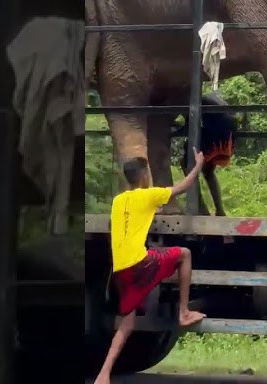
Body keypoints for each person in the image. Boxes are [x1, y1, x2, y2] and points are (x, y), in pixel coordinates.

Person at [94, 152, 208, 384]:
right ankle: (184, 312)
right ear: (144, 176)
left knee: (127, 323)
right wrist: (198, 165)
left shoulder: (118, 201)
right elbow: (183, 187)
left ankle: (103, 375)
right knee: (184, 254)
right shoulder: (149, 195)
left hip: (120, 269)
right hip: (140, 263)